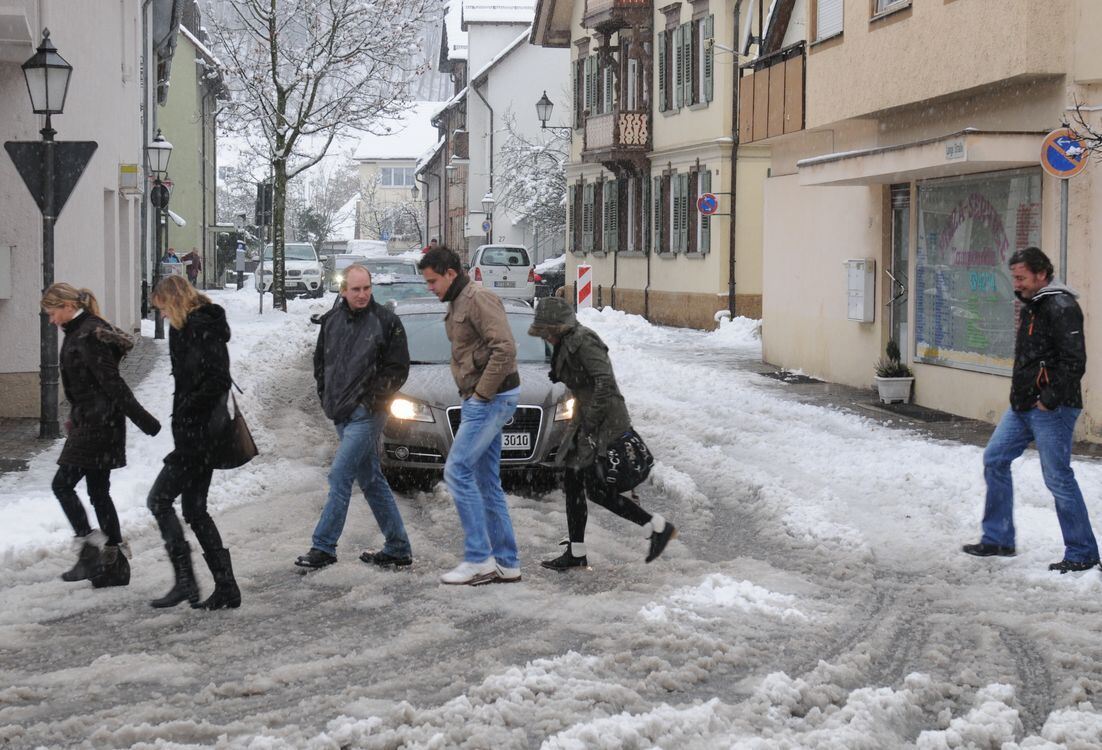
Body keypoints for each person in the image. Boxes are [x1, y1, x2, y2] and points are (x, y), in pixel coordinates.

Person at [963, 246, 1099, 573]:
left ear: (1041, 275)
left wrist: (1049, 398)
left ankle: (1082, 552)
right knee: (995, 458)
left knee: (1057, 478)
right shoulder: (1034, 306)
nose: (1017, 284)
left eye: (1021, 277)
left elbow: (1074, 362)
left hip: (1052, 408)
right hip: (1023, 405)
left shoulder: (1061, 306)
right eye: (1014, 277)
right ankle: (998, 538)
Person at [528, 297, 676, 570]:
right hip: (585, 419)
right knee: (572, 482)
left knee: (597, 490)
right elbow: (582, 378)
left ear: (559, 327)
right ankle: (577, 552)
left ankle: (657, 528)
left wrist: (592, 425)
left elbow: (604, 382)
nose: (545, 336)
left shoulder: (584, 341)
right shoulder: (566, 343)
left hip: (604, 422)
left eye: (547, 331)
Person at [295, 264, 414, 570]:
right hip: (340, 414)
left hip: (367, 414)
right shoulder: (332, 321)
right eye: (356, 289)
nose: (362, 295)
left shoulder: (386, 321)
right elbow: (321, 363)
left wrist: (373, 400)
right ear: (343, 290)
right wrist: (327, 398)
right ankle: (398, 546)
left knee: (340, 475)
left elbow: (398, 368)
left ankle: (324, 546)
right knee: (371, 480)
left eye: (366, 288)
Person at [41, 283, 161, 587]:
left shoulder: (89, 335)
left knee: (62, 485)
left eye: (52, 312)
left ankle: (90, 549)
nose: (51, 320)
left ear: (67, 306)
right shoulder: (79, 331)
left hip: (99, 424)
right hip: (92, 421)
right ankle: (115, 566)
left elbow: (112, 383)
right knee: (98, 493)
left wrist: (144, 420)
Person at [418, 246, 522, 585]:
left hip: (489, 399)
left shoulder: (478, 298)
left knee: (457, 471)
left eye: (433, 281)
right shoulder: (458, 299)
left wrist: (480, 396)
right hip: (483, 398)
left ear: (450, 273)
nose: (429, 287)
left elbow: (505, 348)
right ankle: (507, 563)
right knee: (486, 482)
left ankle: (479, 558)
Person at [146, 275, 241, 609]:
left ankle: (186, 580)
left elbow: (218, 379)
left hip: (201, 435)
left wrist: (187, 410)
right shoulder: (184, 328)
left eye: (162, 309)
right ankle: (226, 587)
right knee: (195, 510)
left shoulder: (202, 328)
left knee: (159, 500)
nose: (161, 316)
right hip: (195, 433)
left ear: (173, 301)